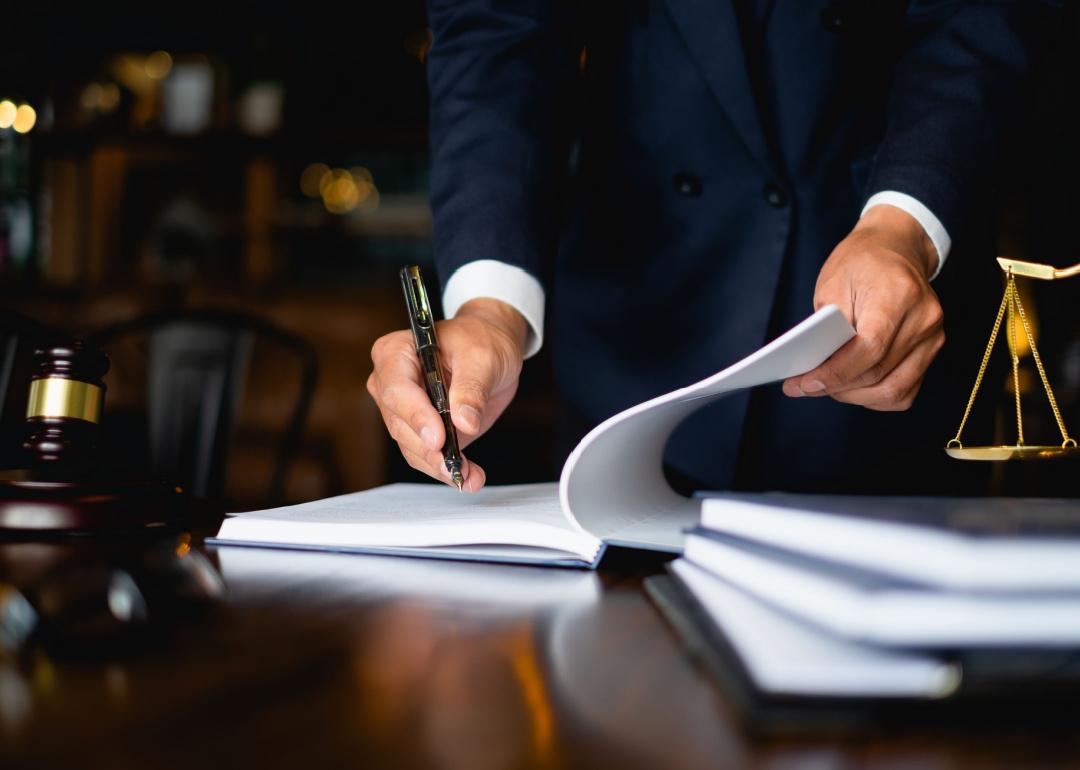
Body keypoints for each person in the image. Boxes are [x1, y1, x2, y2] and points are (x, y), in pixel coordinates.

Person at [369, 1, 1040, 494]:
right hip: (636, 357)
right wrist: (489, 309)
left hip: (885, 348)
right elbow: (498, 35)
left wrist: (901, 227)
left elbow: (973, 23)